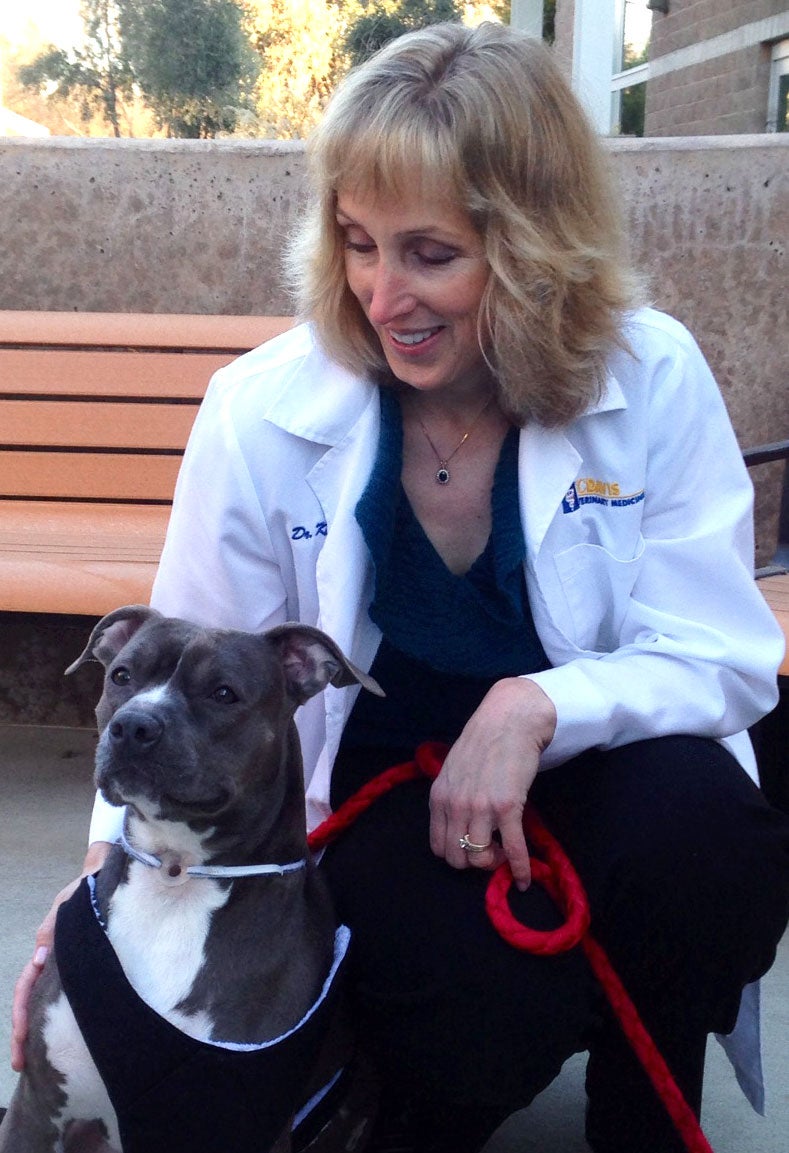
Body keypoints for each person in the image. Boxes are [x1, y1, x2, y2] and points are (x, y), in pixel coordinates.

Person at [11, 20, 789, 1153]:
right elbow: (183, 670)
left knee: (710, 840)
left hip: (614, 779)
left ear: (532, 245)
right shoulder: (260, 406)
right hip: (387, 799)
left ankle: (646, 1075)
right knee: (459, 1028)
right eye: (358, 243)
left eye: (430, 254)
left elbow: (719, 653)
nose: (382, 295)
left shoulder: (650, 372)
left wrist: (533, 707)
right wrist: (101, 890)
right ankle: (487, 1045)